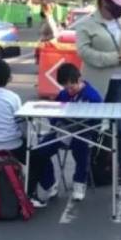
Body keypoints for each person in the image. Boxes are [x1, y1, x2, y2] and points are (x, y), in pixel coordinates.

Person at [75, 0, 121, 184]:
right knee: (92, 128)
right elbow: (84, 52)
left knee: (119, 130)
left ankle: (119, 169)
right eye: (115, 4)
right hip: (95, 84)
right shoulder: (86, 23)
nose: (120, 8)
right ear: (103, 1)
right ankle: (87, 171)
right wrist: (113, 58)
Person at [0, 59, 56, 208]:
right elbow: (21, 123)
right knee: (37, 158)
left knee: (32, 156)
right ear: (9, 78)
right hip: (12, 144)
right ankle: (31, 194)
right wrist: (29, 140)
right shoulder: (12, 97)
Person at [52, 62, 102, 202]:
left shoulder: (93, 97)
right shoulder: (62, 95)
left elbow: (98, 122)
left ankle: (79, 183)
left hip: (85, 131)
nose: (69, 91)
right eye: (65, 87)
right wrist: (55, 125)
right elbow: (53, 115)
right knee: (41, 149)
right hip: (63, 131)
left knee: (81, 147)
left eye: (72, 87)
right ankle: (49, 184)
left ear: (79, 80)